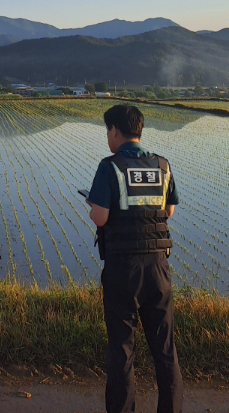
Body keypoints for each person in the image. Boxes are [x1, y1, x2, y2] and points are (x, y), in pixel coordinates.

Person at [87, 103, 183, 413]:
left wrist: (93, 206)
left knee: (122, 350)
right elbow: (168, 210)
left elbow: (100, 218)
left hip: (122, 269)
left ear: (114, 131)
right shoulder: (163, 165)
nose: (107, 137)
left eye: (107, 131)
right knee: (165, 351)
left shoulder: (109, 166)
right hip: (158, 268)